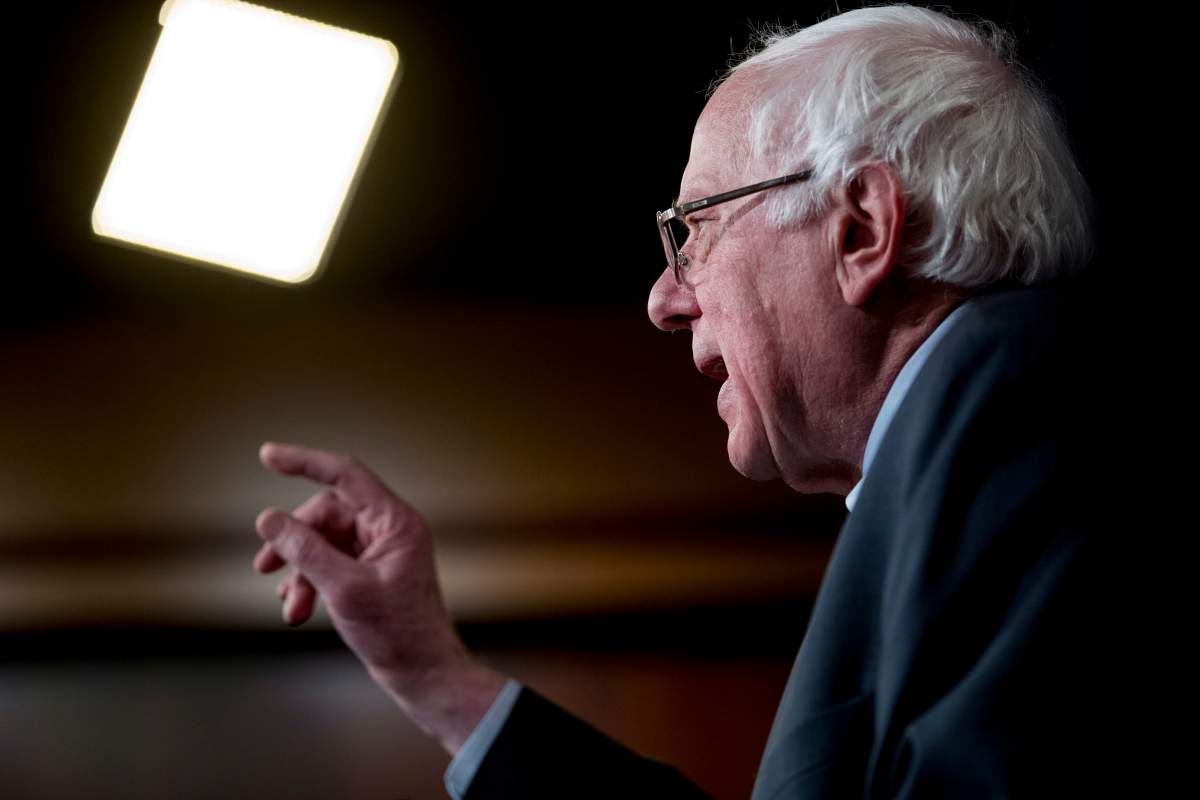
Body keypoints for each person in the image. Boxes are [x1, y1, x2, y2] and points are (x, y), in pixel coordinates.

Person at [252, 6, 1134, 798]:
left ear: (861, 230)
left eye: (694, 231)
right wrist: (432, 674)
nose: (664, 301)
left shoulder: (1008, 385)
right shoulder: (980, 451)